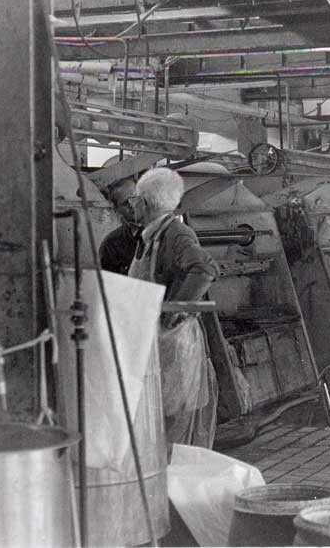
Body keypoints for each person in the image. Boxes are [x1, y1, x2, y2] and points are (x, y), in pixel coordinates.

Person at [127, 167, 220, 450]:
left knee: (172, 430)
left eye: (134, 200)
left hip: (173, 345)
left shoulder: (175, 233)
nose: (132, 206)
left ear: (143, 202)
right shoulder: (152, 235)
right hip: (157, 343)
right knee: (157, 423)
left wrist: (173, 311)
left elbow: (204, 269)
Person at [98, 177, 141, 275]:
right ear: (116, 210)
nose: (133, 205)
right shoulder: (111, 244)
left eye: (135, 198)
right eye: (126, 203)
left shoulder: (165, 233)